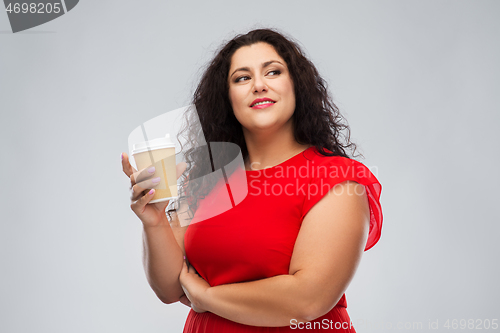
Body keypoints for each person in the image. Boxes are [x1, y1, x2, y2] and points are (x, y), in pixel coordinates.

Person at [121, 28, 383, 332]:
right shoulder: (209, 180)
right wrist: (154, 220)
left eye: (273, 72)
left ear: (296, 85)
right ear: (227, 97)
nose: (259, 85)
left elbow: (306, 300)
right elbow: (168, 288)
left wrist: (206, 295)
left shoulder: (337, 179)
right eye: (242, 78)